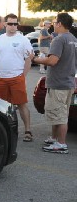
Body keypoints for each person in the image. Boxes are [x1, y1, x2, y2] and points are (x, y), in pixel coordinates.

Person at [32, 13, 77, 154]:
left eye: (55, 22)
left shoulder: (59, 40)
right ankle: (54, 138)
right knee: (57, 112)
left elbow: (52, 61)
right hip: (68, 83)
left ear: (60, 24)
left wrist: (35, 59)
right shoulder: (73, 39)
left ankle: (61, 144)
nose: (53, 25)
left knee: (60, 115)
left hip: (59, 84)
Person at [0, 13, 34, 142]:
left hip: (16, 78)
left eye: (15, 24)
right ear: (5, 24)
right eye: (10, 24)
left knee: (22, 104)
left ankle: (28, 131)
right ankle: (0, 131)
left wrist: (22, 76)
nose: (13, 26)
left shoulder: (23, 40)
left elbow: (29, 59)